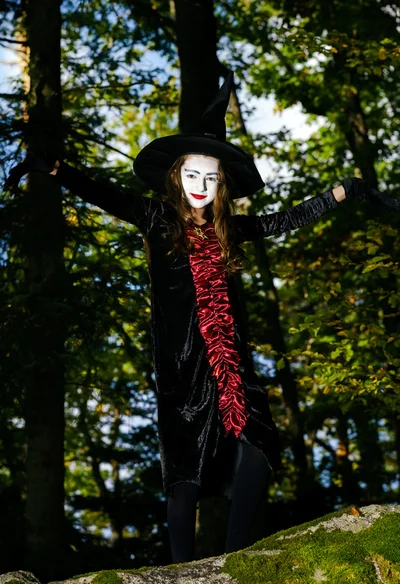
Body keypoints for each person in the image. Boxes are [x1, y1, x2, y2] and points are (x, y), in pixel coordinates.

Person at [5, 72, 399, 564]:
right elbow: (106, 194)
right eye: (193, 175)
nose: (201, 185)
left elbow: (284, 220)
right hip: (181, 369)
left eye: (211, 178)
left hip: (230, 366)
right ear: (176, 176)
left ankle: (233, 561)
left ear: (221, 185)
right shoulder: (156, 219)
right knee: (184, 470)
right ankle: (183, 570)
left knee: (257, 443)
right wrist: (55, 169)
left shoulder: (231, 229)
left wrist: (341, 193)